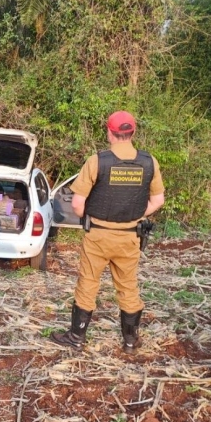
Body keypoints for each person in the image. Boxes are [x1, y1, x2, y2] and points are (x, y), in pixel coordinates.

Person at [50, 111, 164, 354]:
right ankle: (131, 342)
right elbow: (158, 199)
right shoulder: (148, 162)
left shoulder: (97, 161)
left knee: (88, 284)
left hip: (98, 236)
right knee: (128, 287)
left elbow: (78, 204)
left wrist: (91, 218)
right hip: (129, 237)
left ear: (109, 132)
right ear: (133, 132)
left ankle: (77, 337)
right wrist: (137, 215)